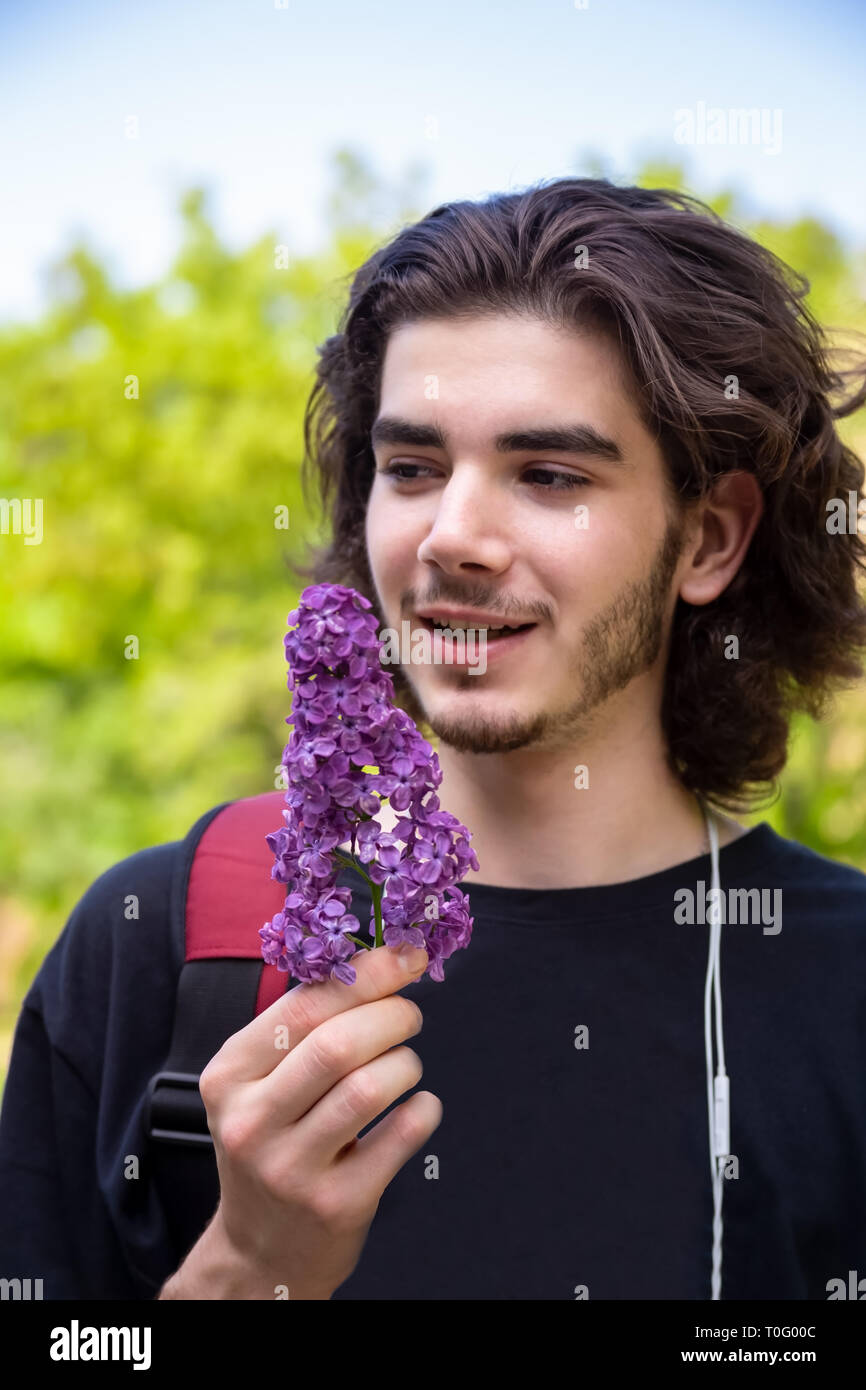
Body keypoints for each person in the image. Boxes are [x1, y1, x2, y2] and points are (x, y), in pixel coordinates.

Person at [2, 177, 866, 1301]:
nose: (451, 534)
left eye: (547, 473)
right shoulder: (155, 952)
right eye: (409, 468)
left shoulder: (842, 987)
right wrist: (246, 1269)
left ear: (706, 538)